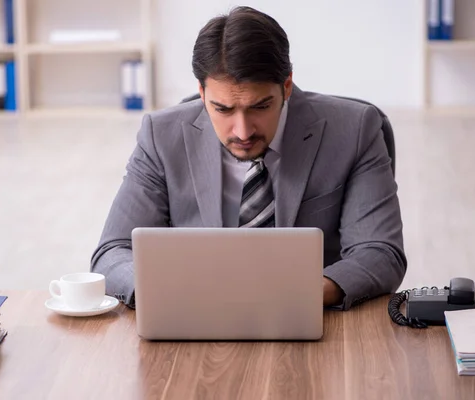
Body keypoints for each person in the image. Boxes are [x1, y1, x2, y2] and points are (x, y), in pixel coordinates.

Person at [91, 6, 406, 310]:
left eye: (260, 107)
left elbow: (379, 251)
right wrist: (169, 293)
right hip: (195, 317)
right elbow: (112, 252)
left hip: (310, 317)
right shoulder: (161, 136)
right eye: (223, 109)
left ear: (286, 87)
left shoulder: (356, 129)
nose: (242, 131)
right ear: (201, 93)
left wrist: (303, 293)